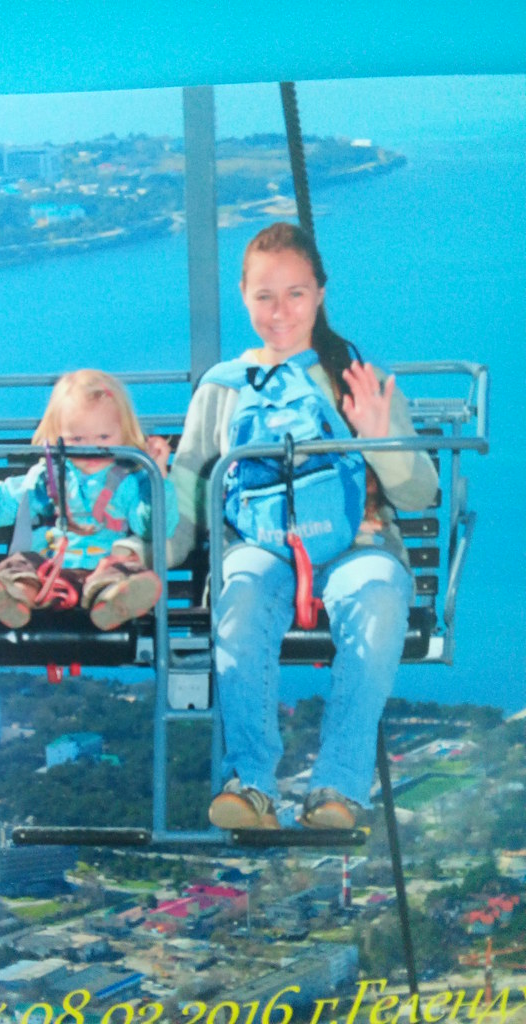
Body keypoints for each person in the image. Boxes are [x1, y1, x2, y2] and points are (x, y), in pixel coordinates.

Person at [168, 222, 438, 830]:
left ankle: (338, 785)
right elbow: (189, 484)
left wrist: (379, 437)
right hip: (259, 546)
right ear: (244, 296)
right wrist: (151, 558)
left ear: (319, 293)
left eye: (295, 294)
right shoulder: (221, 390)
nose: (280, 311)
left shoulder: (356, 377)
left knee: (378, 596)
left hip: (355, 543)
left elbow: (419, 493)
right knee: (239, 597)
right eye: (265, 296)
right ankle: (251, 783)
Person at [0, 369, 178, 631]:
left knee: (125, 569)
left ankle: (114, 602)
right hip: (48, 571)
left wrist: (158, 477)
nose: (90, 447)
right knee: (22, 563)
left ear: (123, 434)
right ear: (57, 436)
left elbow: (155, 528)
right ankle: (13, 598)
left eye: (103, 437)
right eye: (77, 439)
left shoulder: (130, 481)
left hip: (102, 569)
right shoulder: (47, 477)